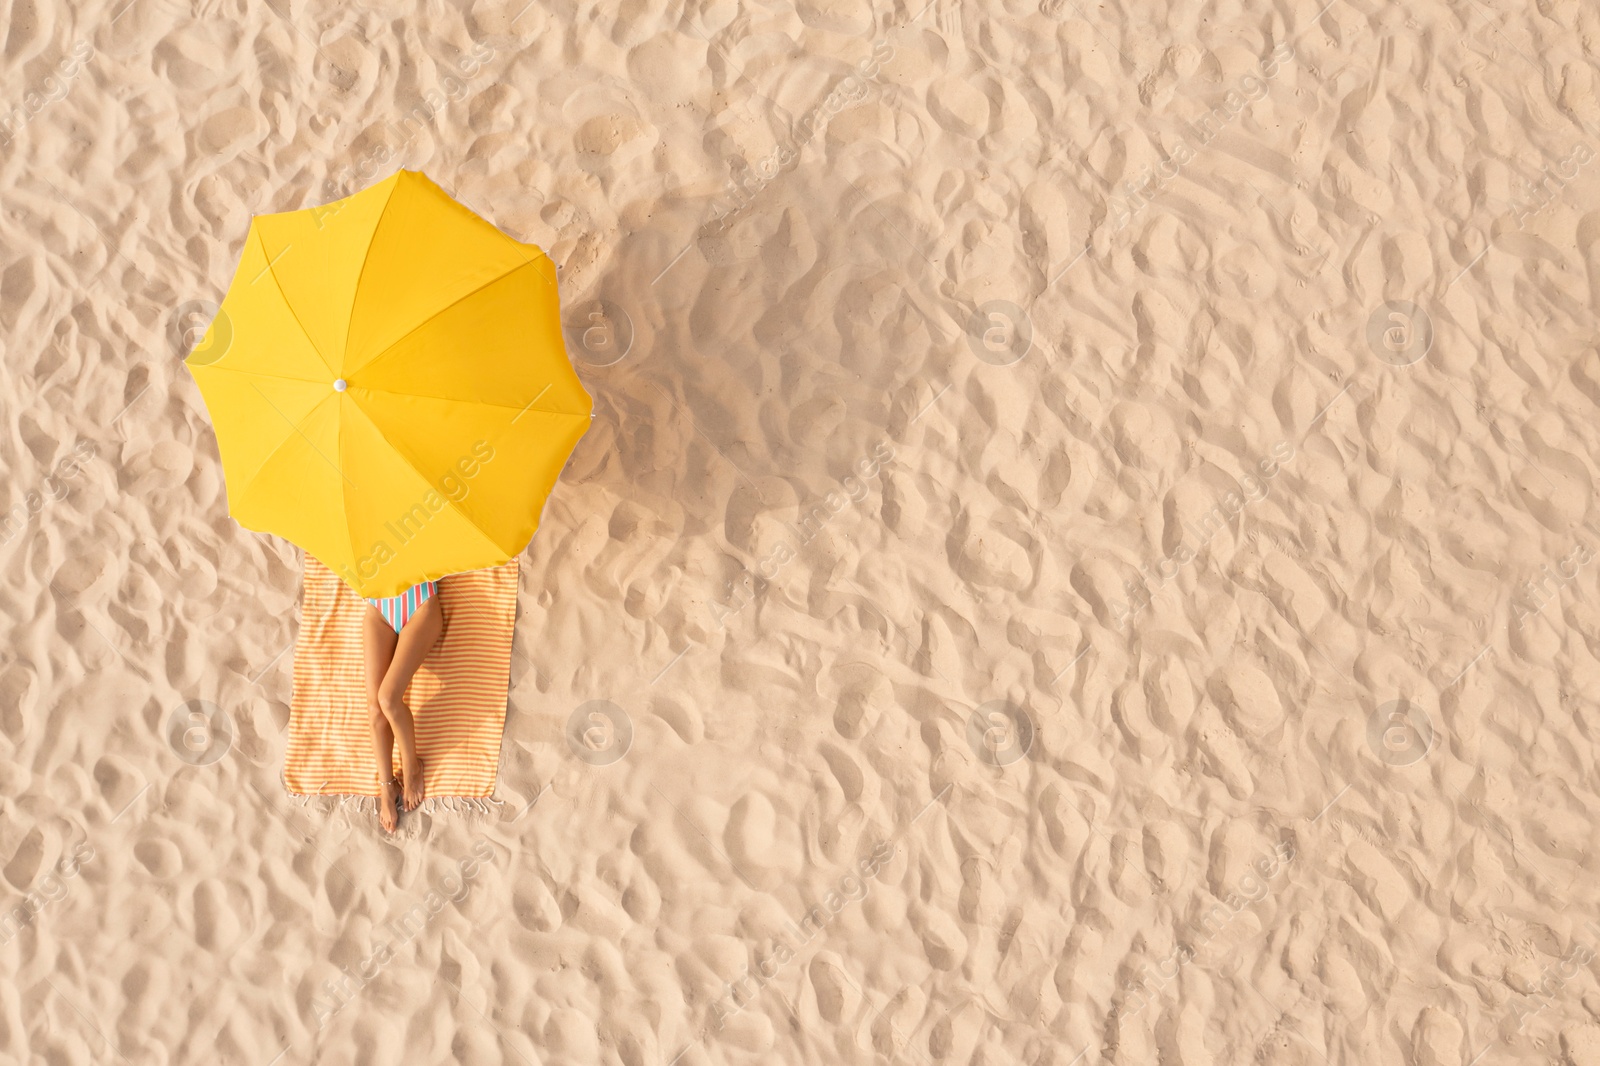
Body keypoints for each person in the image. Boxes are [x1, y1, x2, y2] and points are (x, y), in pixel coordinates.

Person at [362, 579, 444, 832]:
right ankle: (387, 786)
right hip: (379, 607)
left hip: (420, 604)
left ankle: (411, 766)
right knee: (375, 707)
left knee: (388, 698)